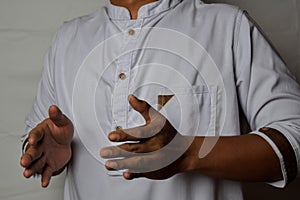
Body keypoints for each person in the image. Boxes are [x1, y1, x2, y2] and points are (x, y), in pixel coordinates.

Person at [20, 0, 300, 199]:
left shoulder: (229, 27)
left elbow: (294, 139)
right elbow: (36, 140)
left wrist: (188, 153)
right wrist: (46, 155)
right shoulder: (68, 38)